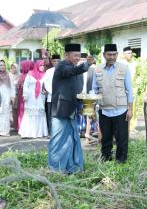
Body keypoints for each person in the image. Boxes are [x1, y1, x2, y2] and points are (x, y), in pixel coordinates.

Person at [48, 44, 94, 174]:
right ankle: (55, 170)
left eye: (79, 56)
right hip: (60, 110)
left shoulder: (77, 70)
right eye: (75, 55)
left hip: (72, 110)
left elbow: (78, 90)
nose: (77, 58)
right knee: (58, 141)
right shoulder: (62, 66)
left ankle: (71, 167)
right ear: (66, 55)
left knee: (71, 140)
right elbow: (71, 71)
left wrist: (87, 102)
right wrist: (86, 65)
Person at [92, 44, 133, 163]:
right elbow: (93, 91)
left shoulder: (124, 68)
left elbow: (129, 90)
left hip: (121, 110)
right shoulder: (97, 69)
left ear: (117, 55)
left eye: (114, 54)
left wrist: (130, 109)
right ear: (104, 55)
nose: (112, 57)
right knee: (105, 139)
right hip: (104, 110)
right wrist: (92, 109)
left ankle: (121, 162)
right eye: (109, 54)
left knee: (122, 139)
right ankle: (106, 160)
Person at [18, 60, 48, 138]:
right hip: (30, 97)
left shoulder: (45, 75)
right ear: (37, 66)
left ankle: (38, 133)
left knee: (39, 113)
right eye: (41, 65)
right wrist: (25, 95)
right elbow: (26, 85)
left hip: (40, 98)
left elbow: (46, 86)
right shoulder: (30, 73)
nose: (42, 67)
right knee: (29, 113)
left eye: (43, 66)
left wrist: (45, 91)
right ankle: (28, 133)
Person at [121, 46, 138, 134]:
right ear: (124, 54)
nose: (130, 55)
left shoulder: (134, 64)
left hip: (133, 89)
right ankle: (124, 127)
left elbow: (137, 75)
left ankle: (132, 127)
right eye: (128, 53)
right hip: (122, 89)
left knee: (133, 108)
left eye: (131, 53)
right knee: (123, 108)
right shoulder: (120, 64)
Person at [43, 54, 61, 135]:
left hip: (61, 97)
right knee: (50, 116)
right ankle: (51, 132)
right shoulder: (48, 71)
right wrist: (52, 92)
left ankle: (59, 132)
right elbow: (46, 83)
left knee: (60, 116)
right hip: (51, 97)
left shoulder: (63, 70)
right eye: (54, 61)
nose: (56, 62)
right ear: (51, 61)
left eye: (58, 61)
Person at [17, 60, 34, 130]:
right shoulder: (23, 74)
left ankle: (24, 128)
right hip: (21, 95)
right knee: (21, 110)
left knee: (25, 110)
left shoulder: (30, 74)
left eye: (22, 66)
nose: (21, 67)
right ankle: (20, 126)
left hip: (26, 96)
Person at [0, 60, 15, 136]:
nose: (2, 66)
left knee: (6, 114)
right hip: (0, 97)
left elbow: (12, 87)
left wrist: (12, 96)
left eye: (3, 65)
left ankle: (5, 131)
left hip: (7, 97)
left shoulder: (9, 75)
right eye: (0, 65)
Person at [9, 63, 20, 130]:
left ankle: (18, 125)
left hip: (18, 95)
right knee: (12, 111)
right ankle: (14, 125)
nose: (13, 69)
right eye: (12, 68)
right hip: (11, 95)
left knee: (18, 111)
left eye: (14, 67)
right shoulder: (9, 75)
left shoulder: (20, 75)